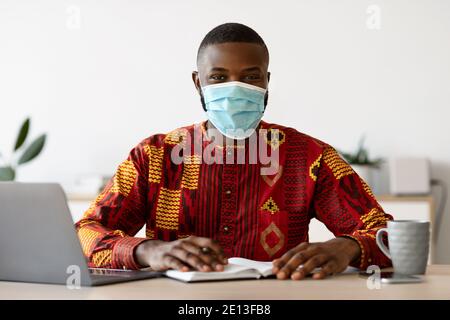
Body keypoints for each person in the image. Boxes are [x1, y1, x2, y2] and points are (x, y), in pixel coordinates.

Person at [75, 22, 392, 280]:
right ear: (198, 83)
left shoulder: (310, 157)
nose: (236, 88)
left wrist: (347, 247)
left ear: (267, 82)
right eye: (219, 78)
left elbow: (387, 235)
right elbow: (83, 234)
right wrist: (148, 251)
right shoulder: (153, 157)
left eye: (250, 77)